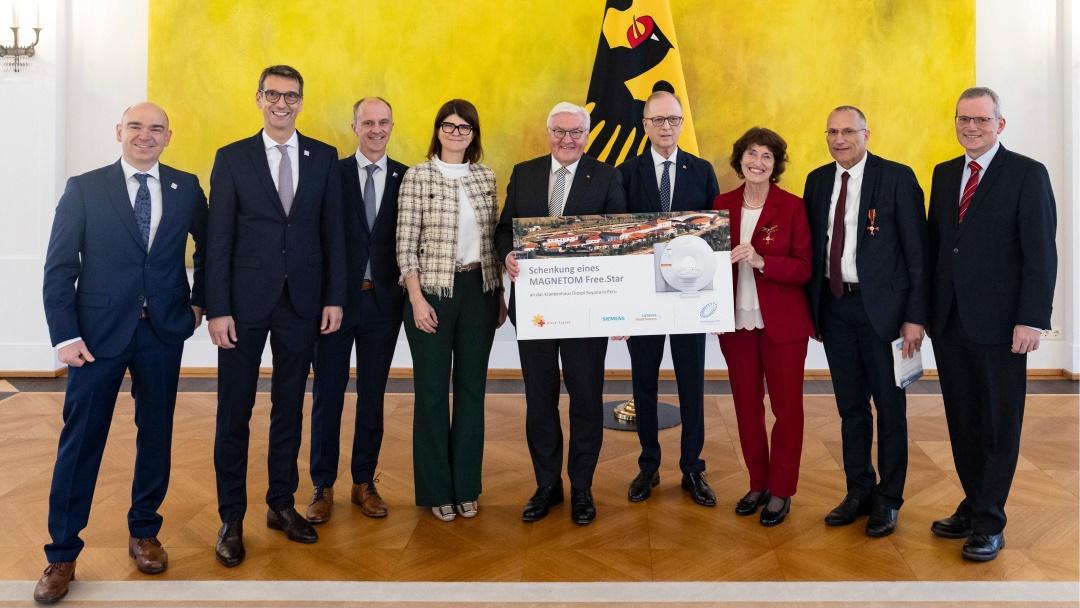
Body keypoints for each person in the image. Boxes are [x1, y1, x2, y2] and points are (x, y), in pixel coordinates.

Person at [37, 102, 207, 603]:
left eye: (156, 128)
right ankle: (62, 553)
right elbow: (59, 266)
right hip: (96, 338)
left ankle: (145, 531)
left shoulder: (185, 187)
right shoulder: (85, 188)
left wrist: (200, 303)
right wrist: (65, 336)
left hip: (162, 332)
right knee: (80, 442)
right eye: (136, 126)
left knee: (156, 435)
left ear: (168, 136)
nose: (145, 135)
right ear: (119, 131)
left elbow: (212, 246)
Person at [206, 65, 346, 566]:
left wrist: (334, 297)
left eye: (290, 95)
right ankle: (231, 518)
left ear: (301, 101)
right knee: (234, 412)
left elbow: (333, 234)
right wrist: (218, 308)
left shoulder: (323, 157)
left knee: (289, 408)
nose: (281, 103)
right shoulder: (232, 157)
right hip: (242, 306)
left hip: (302, 303)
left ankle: (281, 504)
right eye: (273, 94)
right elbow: (218, 239)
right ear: (258, 98)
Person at [927, 87, 1057, 561]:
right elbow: (938, 248)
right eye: (964, 119)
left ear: (999, 124)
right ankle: (974, 502)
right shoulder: (944, 174)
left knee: (999, 424)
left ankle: (989, 522)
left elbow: (1041, 253)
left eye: (981, 120)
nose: (972, 127)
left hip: (1003, 326)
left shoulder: (1027, 173)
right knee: (963, 421)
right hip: (949, 321)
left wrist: (1031, 320)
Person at [495, 102, 627, 525]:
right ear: (548, 132)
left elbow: (620, 242)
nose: (567, 139)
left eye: (575, 132)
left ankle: (582, 487)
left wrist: (621, 310)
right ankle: (547, 485)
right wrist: (507, 254)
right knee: (540, 399)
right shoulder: (525, 173)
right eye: (559, 131)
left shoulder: (607, 176)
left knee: (586, 399)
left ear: (586, 135)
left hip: (586, 311)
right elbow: (504, 228)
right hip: (534, 307)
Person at [804, 106, 929, 537]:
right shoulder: (817, 180)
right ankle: (858, 491)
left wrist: (915, 318)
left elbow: (918, 254)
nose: (839, 140)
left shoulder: (896, 178)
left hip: (886, 316)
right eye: (832, 132)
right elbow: (815, 249)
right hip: (836, 308)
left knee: (891, 409)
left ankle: (888, 499)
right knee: (851, 408)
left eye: (848, 131)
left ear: (866, 134)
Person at [396, 99, 506, 522]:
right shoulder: (417, 176)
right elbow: (405, 245)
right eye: (449, 125)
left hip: (479, 290)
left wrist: (499, 294)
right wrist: (416, 298)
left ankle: (466, 486)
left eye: (465, 127)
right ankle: (437, 489)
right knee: (431, 392)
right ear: (437, 130)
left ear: (473, 134)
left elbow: (492, 241)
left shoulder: (485, 177)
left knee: (472, 391)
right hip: (433, 293)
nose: (456, 133)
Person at [615, 91, 720, 506]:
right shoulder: (626, 173)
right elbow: (620, 241)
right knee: (643, 382)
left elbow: (714, 238)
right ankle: (648, 466)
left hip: (690, 299)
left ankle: (693, 467)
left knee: (692, 382)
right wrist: (621, 307)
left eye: (673, 120)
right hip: (644, 299)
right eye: (657, 120)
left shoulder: (702, 171)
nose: (665, 127)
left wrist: (715, 304)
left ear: (681, 123)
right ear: (645, 125)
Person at [305, 97, 407, 524]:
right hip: (335, 304)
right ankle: (322, 485)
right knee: (327, 394)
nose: (376, 129)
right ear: (354, 127)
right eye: (368, 122)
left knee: (373, 394)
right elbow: (317, 236)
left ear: (392, 125)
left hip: (383, 304)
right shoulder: (334, 173)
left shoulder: (407, 177)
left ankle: (364, 481)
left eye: (383, 122)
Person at [712, 127, 813, 526]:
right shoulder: (721, 204)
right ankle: (757, 483)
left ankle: (782, 490)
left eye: (766, 156)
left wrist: (761, 261)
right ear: (740, 160)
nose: (757, 162)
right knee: (746, 406)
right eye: (751, 154)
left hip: (783, 323)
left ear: (776, 165)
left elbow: (804, 269)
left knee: (787, 410)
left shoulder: (793, 207)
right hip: (735, 322)